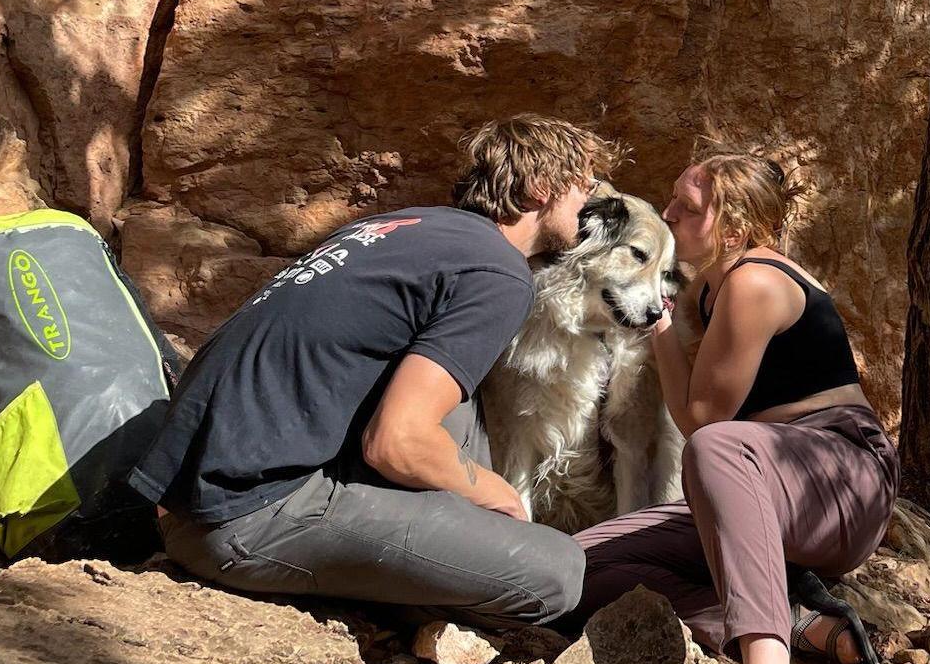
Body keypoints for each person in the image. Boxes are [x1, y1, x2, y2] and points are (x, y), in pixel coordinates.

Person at [129, 116, 614, 629]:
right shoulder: (498, 274)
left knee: (458, 395)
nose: (589, 206)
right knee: (558, 572)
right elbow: (396, 443)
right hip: (241, 517)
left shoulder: (403, 228)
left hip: (189, 495)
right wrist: (496, 491)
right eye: (584, 186)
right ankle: (404, 608)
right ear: (542, 187)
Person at [570, 150, 899, 664]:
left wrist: (662, 331)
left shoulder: (752, 281)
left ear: (737, 223)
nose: (666, 215)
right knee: (573, 565)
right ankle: (799, 619)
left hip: (843, 476)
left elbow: (703, 422)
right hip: (762, 486)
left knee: (716, 445)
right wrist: (670, 323)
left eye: (686, 208)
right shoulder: (708, 287)